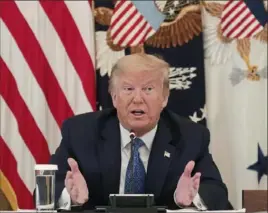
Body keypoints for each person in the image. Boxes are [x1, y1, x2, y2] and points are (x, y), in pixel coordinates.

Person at [49, 53, 229, 210]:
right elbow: (47, 190)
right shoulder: (81, 132)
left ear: (164, 98)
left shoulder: (190, 136)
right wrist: (68, 196)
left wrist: (192, 200)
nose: (137, 99)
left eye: (148, 89)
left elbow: (216, 192)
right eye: (128, 89)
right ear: (114, 97)